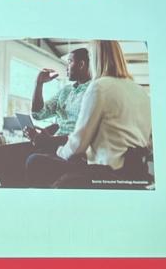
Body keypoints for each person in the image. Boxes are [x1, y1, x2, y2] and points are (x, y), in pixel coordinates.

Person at [27, 40, 152, 187]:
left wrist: (58, 151)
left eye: (90, 57)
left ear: (95, 59)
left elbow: (78, 145)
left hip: (106, 172)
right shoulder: (141, 92)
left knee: (34, 161)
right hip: (136, 171)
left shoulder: (99, 87)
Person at [28, 47, 92, 145]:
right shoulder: (66, 91)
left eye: (70, 62)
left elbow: (86, 135)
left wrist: (48, 140)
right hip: (55, 144)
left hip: (73, 147)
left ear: (81, 65)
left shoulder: (93, 91)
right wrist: (39, 83)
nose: (66, 68)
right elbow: (38, 114)